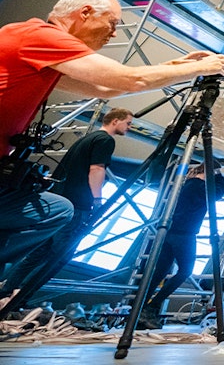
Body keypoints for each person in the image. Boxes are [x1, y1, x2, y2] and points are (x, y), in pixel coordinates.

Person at [0, 0, 224, 271]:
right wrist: (204, 67)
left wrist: (176, 66)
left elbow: (107, 88)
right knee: (56, 213)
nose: (114, 35)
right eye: (112, 24)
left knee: (55, 212)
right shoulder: (41, 36)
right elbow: (131, 79)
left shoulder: (37, 47)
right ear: (84, 13)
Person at [0, 107, 133, 312]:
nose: (129, 127)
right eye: (128, 123)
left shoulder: (86, 139)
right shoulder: (106, 140)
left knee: (39, 253)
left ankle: (7, 292)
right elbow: (96, 170)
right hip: (77, 205)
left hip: (61, 199)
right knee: (60, 256)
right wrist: (97, 200)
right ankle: (20, 299)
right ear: (115, 121)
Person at [138, 163, 224, 329]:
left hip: (170, 232)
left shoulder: (189, 183)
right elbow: (217, 194)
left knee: (159, 272)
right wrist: (219, 176)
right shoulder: (199, 186)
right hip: (184, 234)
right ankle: (151, 307)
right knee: (185, 271)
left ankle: (139, 309)